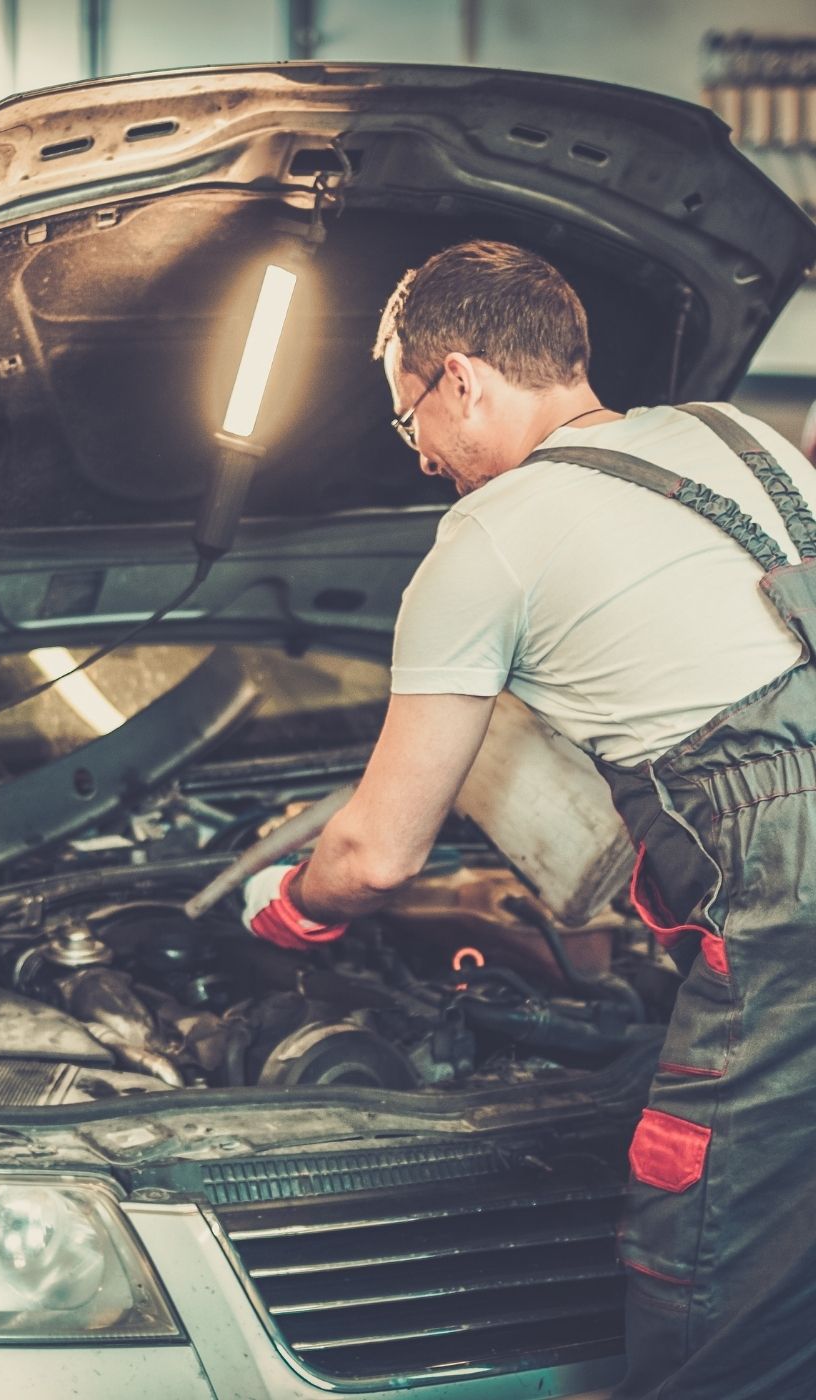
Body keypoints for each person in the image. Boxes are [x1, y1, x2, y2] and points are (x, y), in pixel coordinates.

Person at [241, 239, 816, 1399]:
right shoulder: (741, 434)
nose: (420, 459)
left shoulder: (489, 534)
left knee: (711, 1272)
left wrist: (281, 916)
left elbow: (377, 851)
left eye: (409, 421)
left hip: (781, 884)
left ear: (459, 378)